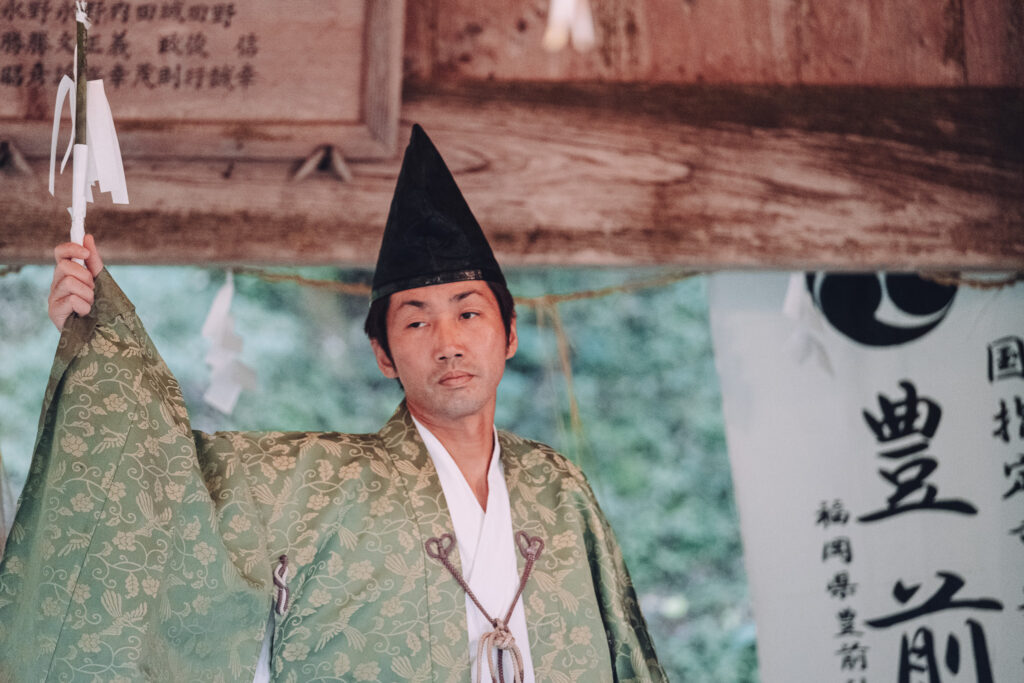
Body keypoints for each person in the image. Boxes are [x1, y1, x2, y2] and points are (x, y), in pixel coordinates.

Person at [1, 125, 665, 682]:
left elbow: (627, 654)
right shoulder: (318, 482)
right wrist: (101, 344)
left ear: (511, 334)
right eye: (416, 321)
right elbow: (171, 481)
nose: (448, 343)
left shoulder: (559, 488)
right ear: (383, 354)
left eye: (469, 313)